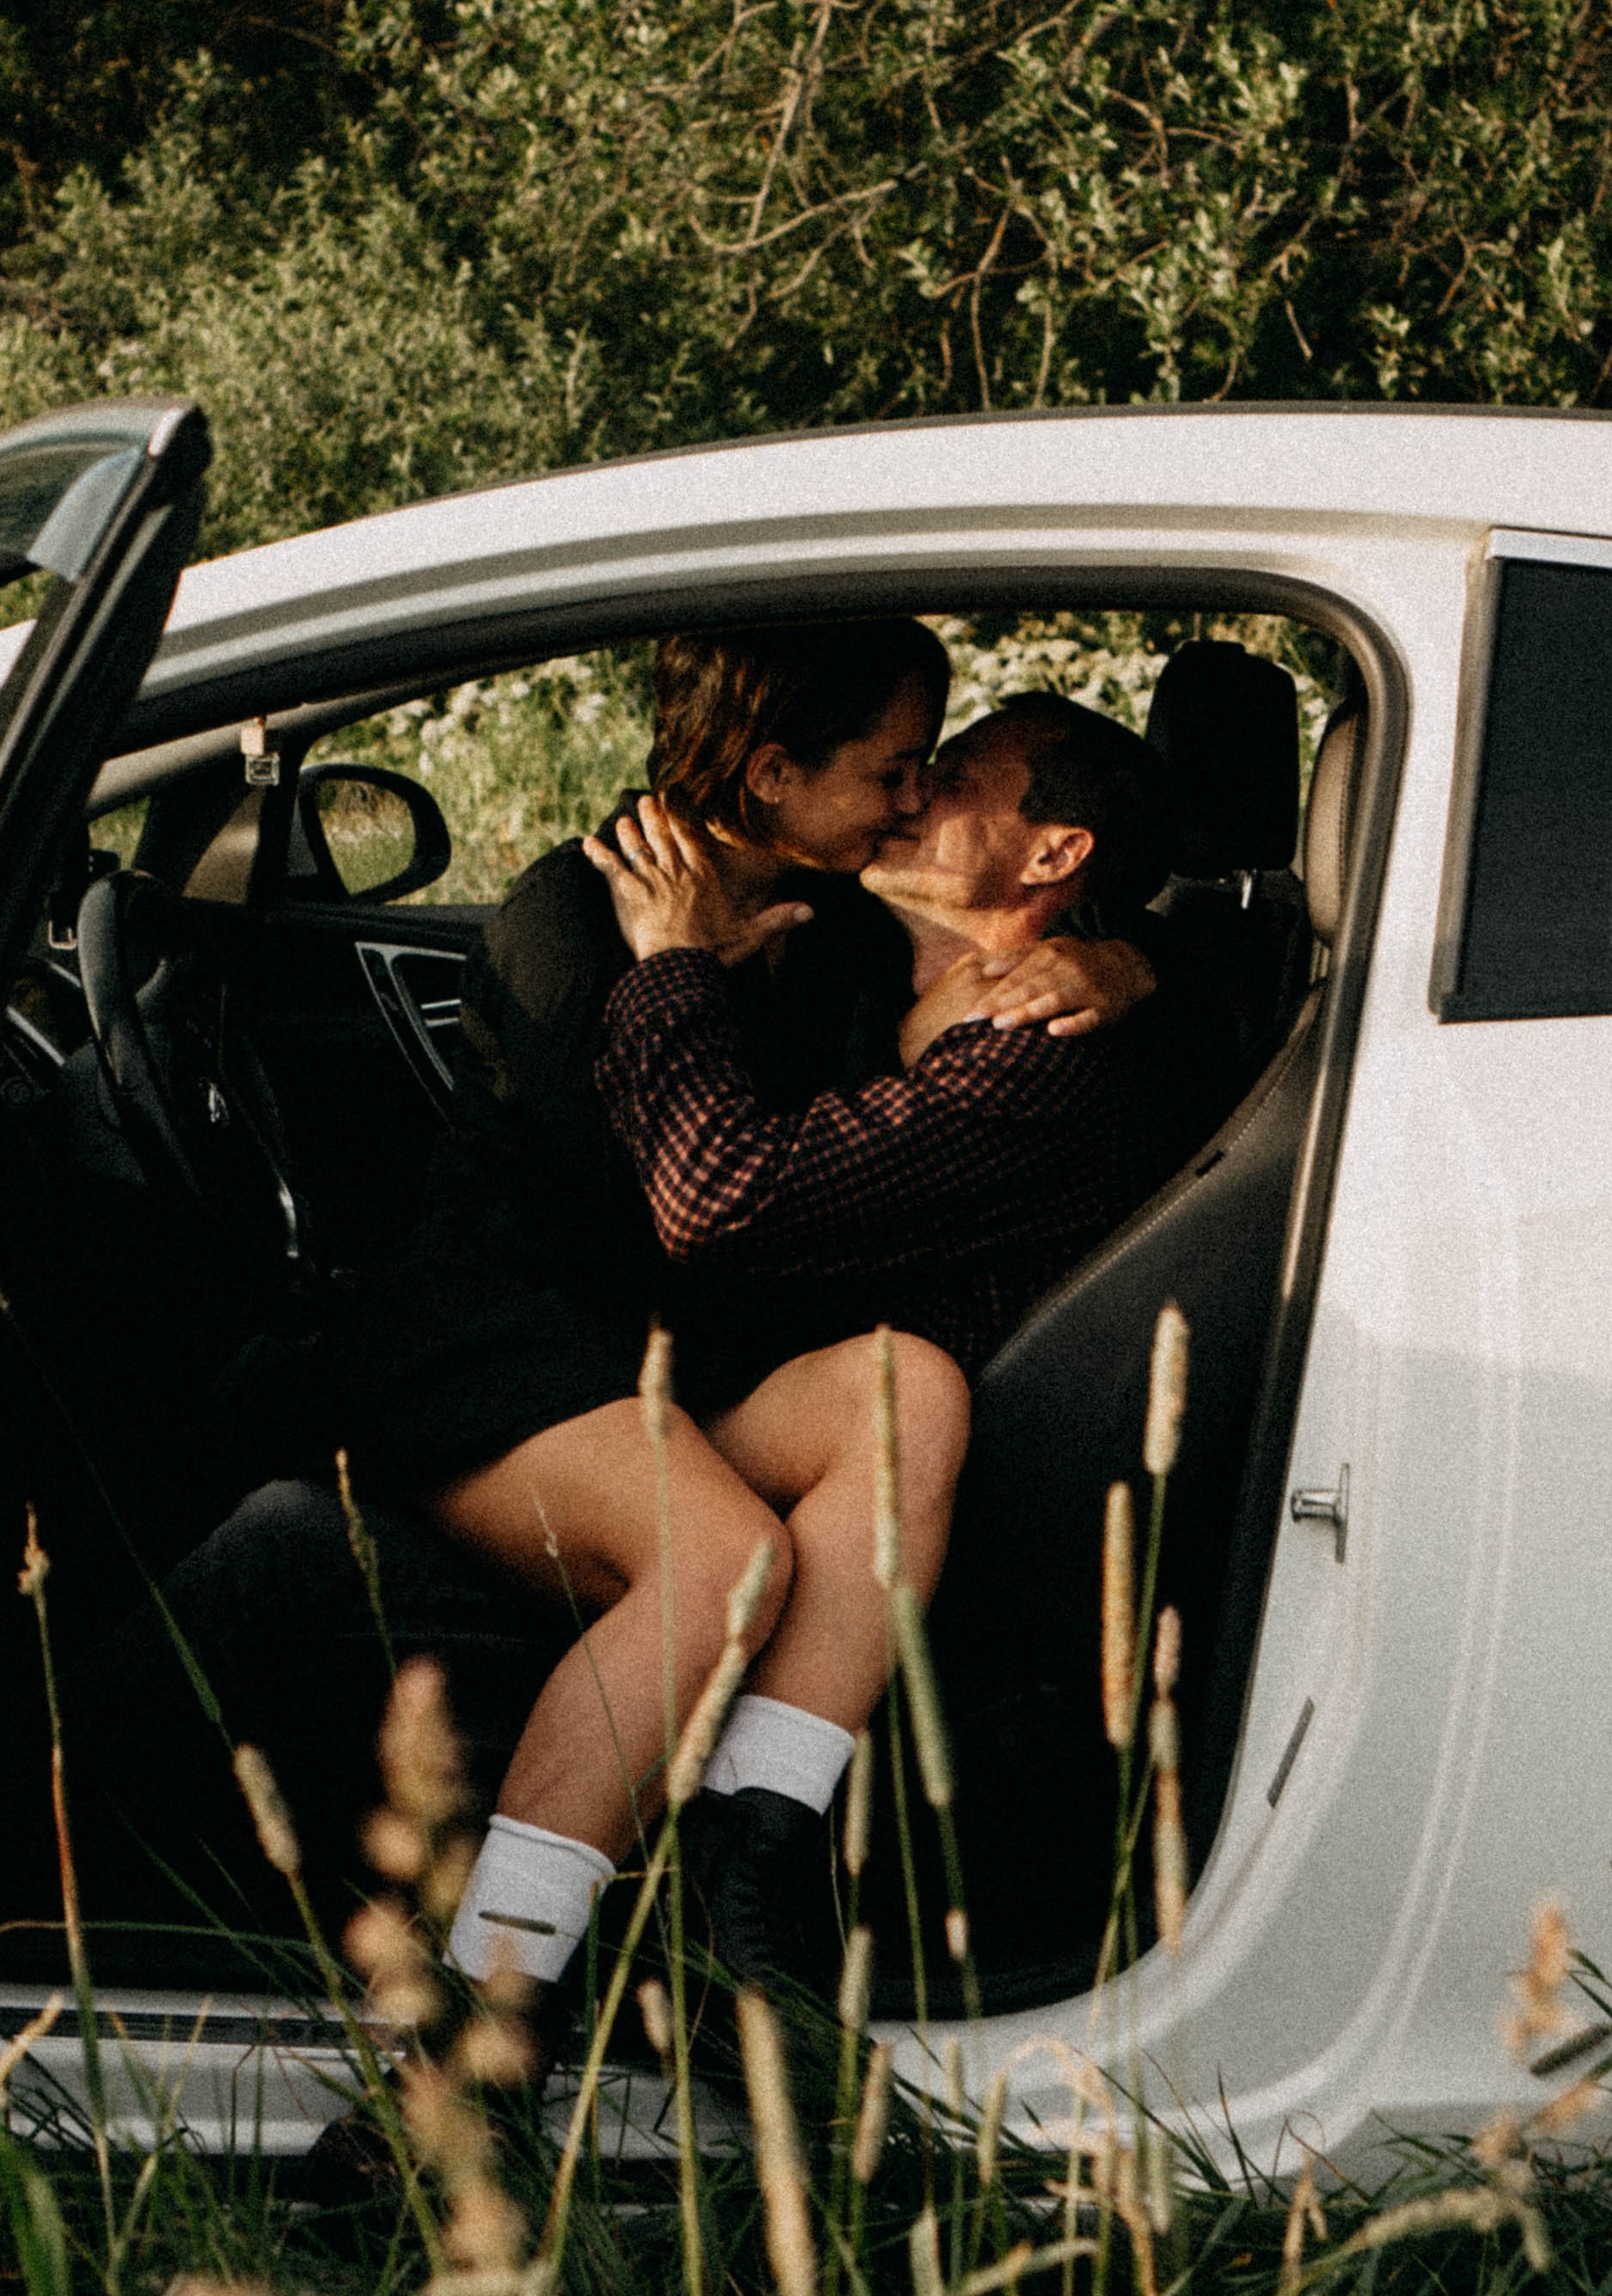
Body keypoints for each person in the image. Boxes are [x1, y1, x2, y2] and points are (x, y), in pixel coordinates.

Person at [334, 621, 1152, 2018]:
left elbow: (1004, 940)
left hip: (672, 1364)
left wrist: (1127, 964)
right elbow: (674, 1218)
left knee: (913, 1391)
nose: (911, 800)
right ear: (774, 775)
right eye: (896, 770)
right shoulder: (575, 917)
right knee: (728, 1558)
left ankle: (741, 1879)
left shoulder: (831, 916)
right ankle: (484, 2013)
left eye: (933, 775)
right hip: (510, 1349)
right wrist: (677, 974)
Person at [591, 694, 1176, 1375]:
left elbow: (719, 1201)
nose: (909, 795)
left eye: (953, 781)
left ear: (1053, 855)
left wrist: (669, 964)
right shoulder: (852, 944)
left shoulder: (1035, 1054)